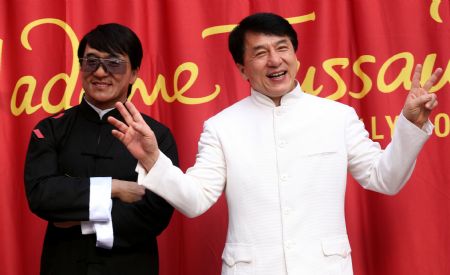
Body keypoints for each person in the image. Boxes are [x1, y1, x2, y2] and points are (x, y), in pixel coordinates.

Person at [108, 13, 442, 275]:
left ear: (295, 56)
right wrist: (153, 159)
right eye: (260, 53)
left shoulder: (337, 117)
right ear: (242, 68)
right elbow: (195, 200)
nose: (275, 60)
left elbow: (385, 178)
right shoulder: (222, 127)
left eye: (282, 48)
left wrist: (411, 124)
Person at [24, 23, 178, 275]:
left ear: (134, 73)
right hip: (62, 264)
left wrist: (75, 216)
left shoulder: (156, 136)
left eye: (114, 63)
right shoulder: (50, 129)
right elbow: (42, 195)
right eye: (91, 61)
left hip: (131, 266)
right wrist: (114, 188)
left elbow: (156, 211)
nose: (100, 72)